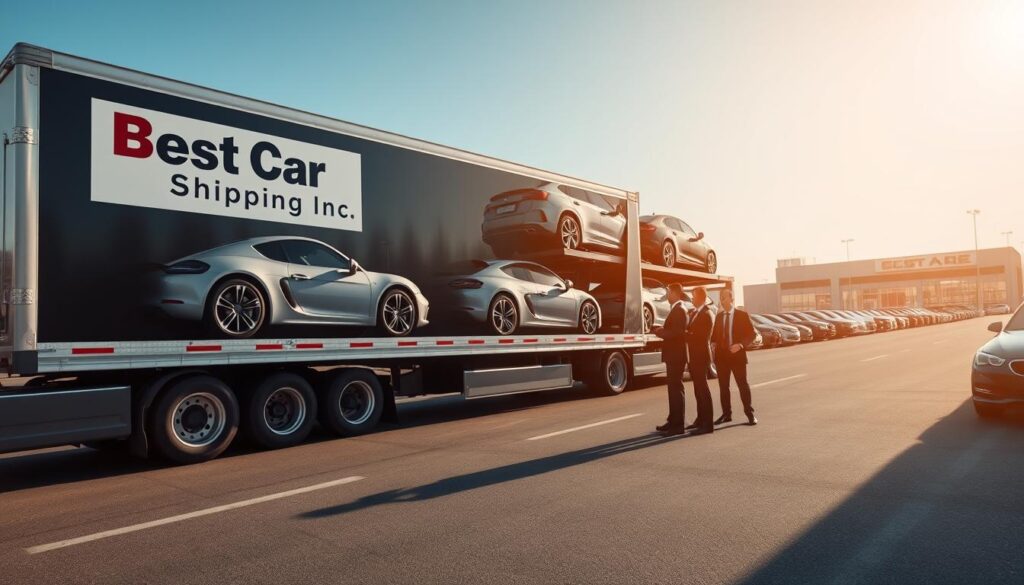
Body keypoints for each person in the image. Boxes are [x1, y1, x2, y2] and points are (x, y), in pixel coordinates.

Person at [711, 289, 758, 425]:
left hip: (737, 356)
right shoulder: (719, 316)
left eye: (724, 297)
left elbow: (752, 334)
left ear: (731, 299)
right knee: (723, 387)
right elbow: (714, 335)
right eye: (720, 297)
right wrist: (713, 343)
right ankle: (726, 414)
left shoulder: (742, 315)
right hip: (722, 357)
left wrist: (741, 345)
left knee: (742, 385)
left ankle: (750, 414)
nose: (722, 300)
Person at [652, 283, 689, 435]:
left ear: (674, 293)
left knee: (676, 389)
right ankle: (673, 420)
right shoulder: (677, 309)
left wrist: (659, 331)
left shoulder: (680, 310)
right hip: (674, 355)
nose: (667, 295)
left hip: (676, 356)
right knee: (673, 389)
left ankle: (678, 426)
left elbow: (676, 333)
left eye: (668, 292)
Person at [685, 287, 715, 435]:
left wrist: (686, 334)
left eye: (693, 296)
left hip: (701, 356)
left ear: (701, 297)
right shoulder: (694, 313)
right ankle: (700, 419)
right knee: (698, 390)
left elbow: (701, 337)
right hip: (693, 356)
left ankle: (708, 425)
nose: (692, 298)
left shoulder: (706, 314)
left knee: (703, 390)